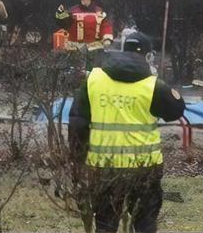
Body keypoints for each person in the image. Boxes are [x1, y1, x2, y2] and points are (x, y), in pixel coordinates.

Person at [68, 31, 185, 233]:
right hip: (144, 167)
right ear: (148, 56)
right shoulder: (153, 86)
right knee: (145, 224)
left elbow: (78, 123)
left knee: (105, 224)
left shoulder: (94, 80)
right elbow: (176, 110)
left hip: (104, 167)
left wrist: (77, 160)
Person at [56, 0, 114, 70]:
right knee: (76, 70)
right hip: (76, 47)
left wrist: (107, 38)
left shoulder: (99, 11)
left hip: (94, 47)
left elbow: (105, 25)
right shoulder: (73, 11)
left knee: (95, 70)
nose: (84, 1)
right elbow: (63, 22)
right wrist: (60, 13)